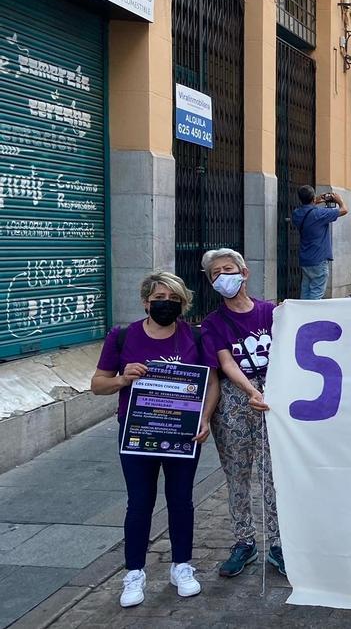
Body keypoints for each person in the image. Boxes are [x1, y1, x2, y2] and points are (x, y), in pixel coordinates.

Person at [91, 272, 216, 608]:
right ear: (146, 301)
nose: (167, 304)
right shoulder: (121, 337)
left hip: (183, 433)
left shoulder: (196, 336)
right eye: (161, 297)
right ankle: (134, 572)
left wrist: (204, 418)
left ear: (183, 304)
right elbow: (97, 384)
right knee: (139, 503)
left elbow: (211, 382)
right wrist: (122, 379)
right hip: (137, 433)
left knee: (181, 501)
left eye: (175, 299)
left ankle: (182, 566)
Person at [198, 249, 284, 578]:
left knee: (274, 474)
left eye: (228, 269)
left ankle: (279, 543)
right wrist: (250, 391)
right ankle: (244, 541)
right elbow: (225, 363)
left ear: (244, 272)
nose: (223, 276)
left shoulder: (271, 313)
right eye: (216, 273)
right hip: (236, 400)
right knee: (238, 475)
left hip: (274, 395)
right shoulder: (214, 323)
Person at [292, 186, 347, 300]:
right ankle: (312, 316)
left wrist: (314, 201)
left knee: (305, 292)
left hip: (305, 259)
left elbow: (306, 209)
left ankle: (302, 315)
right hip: (319, 259)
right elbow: (344, 210)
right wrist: (339, 200)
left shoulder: (296, 213)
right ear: (312, 198)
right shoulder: (319, 214)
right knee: (316, 295)